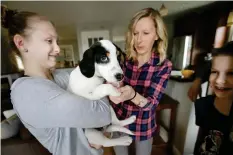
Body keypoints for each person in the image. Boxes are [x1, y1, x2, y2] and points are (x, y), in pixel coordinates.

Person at [1, 6, 113, 155]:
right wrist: (103, 91)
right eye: (49, 41)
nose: (58, 49)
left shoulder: (60, 76)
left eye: (56, 41)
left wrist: (104, 132)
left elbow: (99, 88)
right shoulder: (26, 92)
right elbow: (104, 115)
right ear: (21, 43)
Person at [109, 8, 172, 155]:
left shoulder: (163, 66)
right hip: (119, 121)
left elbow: (151, 105)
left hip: (143, 125)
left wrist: (132, 95)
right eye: (135, 33)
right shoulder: (123, 60)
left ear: (156, 35)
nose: (139, 39)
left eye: (146, 33)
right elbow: (112, 83)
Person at [193, 41, 233, 155]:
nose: (219, 80)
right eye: (215, 72)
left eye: (231, 73)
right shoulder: (202, 105)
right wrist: (197, 80)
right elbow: (200, 144)